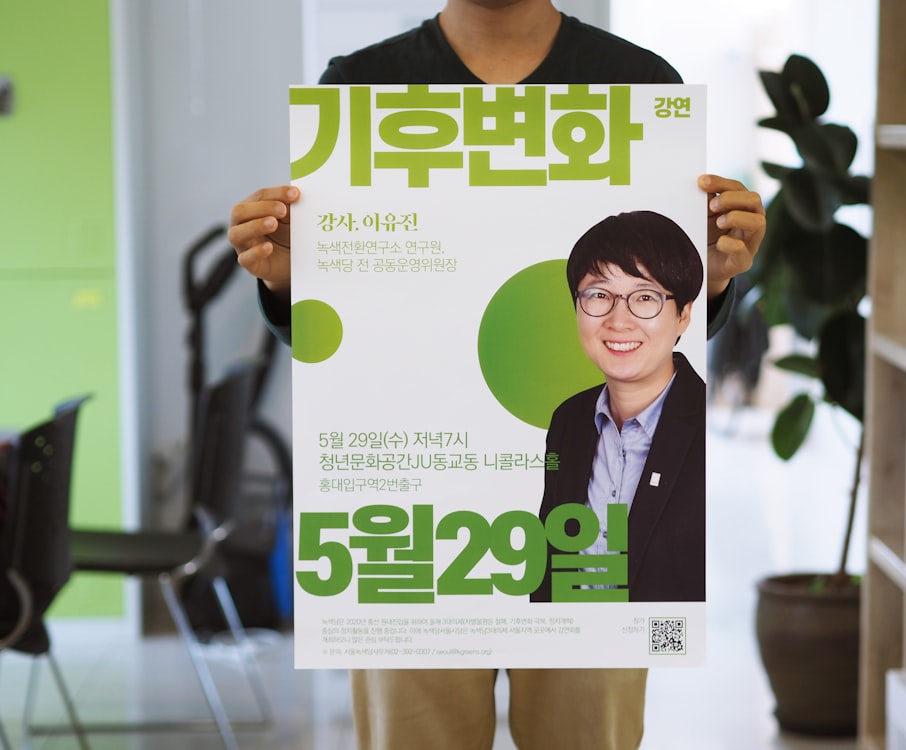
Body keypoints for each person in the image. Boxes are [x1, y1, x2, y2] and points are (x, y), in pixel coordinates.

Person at [228, 2, 766, 748]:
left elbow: (670, 333)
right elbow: (347, 343)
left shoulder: (639, 86)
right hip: (413, 520)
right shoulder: (361, 88)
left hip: (597, 516)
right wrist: (291, 282)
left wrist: (714, 275)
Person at [531, 211, 705, 604]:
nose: (618, 320)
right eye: (599, 295)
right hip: (571, 651)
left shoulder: (710, 425)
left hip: (666, 658)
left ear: (684, 315)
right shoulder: (569, 420)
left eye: (645, 297)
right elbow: (552, 561)